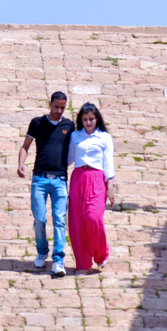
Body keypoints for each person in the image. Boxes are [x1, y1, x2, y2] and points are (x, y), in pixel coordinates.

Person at [17, 91, 75, 278]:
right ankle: (42, 251)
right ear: (50, 104)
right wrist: (21, 164)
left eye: (62, 108)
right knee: (40, 219)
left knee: (59, 219)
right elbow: (25, 146)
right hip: (40, 179)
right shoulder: (37, 123)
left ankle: (58, 259)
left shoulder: (69, 125)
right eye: (56, 107)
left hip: (59, 180)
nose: (59, 111)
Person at [66, 102, 116, 274]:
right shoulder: (75, 136)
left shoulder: (104, 138)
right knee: (78, 222)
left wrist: (110, 186)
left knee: (93, 217)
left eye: (91, 119)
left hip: (97, 179)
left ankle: (101, 254)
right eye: (85, 119)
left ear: (97, 119)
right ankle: (84, 263)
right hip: (78, 178)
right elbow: (69, 158)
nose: (88, 123)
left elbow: (108, 163)